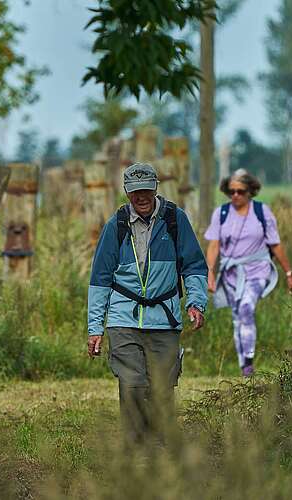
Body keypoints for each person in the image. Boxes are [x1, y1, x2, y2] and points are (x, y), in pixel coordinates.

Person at [87, 162, 208, 445]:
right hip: (123, 318)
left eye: (146, 191)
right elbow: (100, 280)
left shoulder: (175, 219)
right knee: (131, 384)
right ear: (126, 192)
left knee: (161, 388)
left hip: (164, 318)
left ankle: (158, 445)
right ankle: (135, 447)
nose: (141, 197)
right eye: (134, 192)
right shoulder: (116, 225)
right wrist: (95, 328)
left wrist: (196, 302)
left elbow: (194, 266)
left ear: (155, 189)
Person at [204, 169, 292, 377]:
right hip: (230, 274)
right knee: (237, 317)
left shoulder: (262, 212)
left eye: (240, 191)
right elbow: (213, 246)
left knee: (246, 307)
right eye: (232, 191)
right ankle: (244, 366)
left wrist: (289, 273)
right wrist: (209, 272)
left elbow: (275, 245)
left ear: (250, 192)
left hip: (258, 270)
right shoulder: (221, 214)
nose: (235, 195)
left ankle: (248, 360)